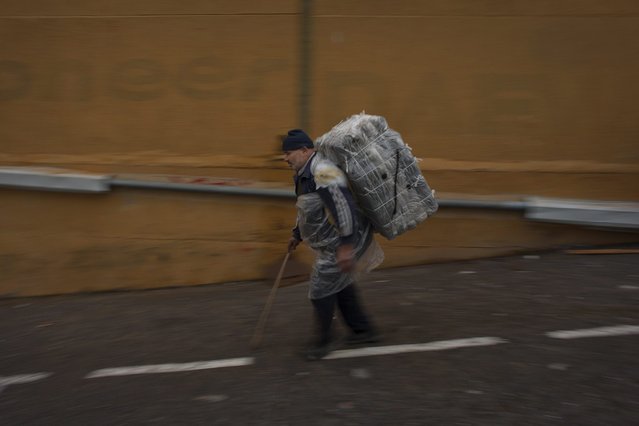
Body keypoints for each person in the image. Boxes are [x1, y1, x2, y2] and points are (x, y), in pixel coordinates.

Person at [282, 129, 381, 360]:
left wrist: (346, 246)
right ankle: (363, 330)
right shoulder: (303, 173)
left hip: (348, 237)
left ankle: (323, 341)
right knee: (339, 283)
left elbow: (343, 206)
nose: (285, 158)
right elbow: (307, 209)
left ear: (305, 150)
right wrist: (297, 234)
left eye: (288, 153)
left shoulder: (323, 171)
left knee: (320, 289)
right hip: (336, 240)